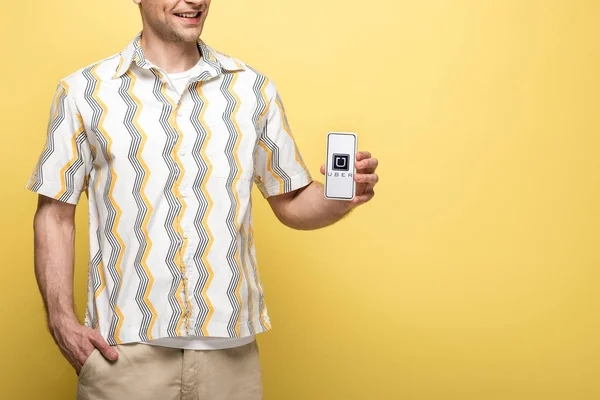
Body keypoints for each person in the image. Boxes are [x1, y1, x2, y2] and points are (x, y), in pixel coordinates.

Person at [26, 0, 379, 398]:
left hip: (231, 360)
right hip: (123, 356)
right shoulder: (83, 91)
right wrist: (61, 320)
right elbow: (55, 214)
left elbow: (293, 202)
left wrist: (342, 196)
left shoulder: (252, 88)